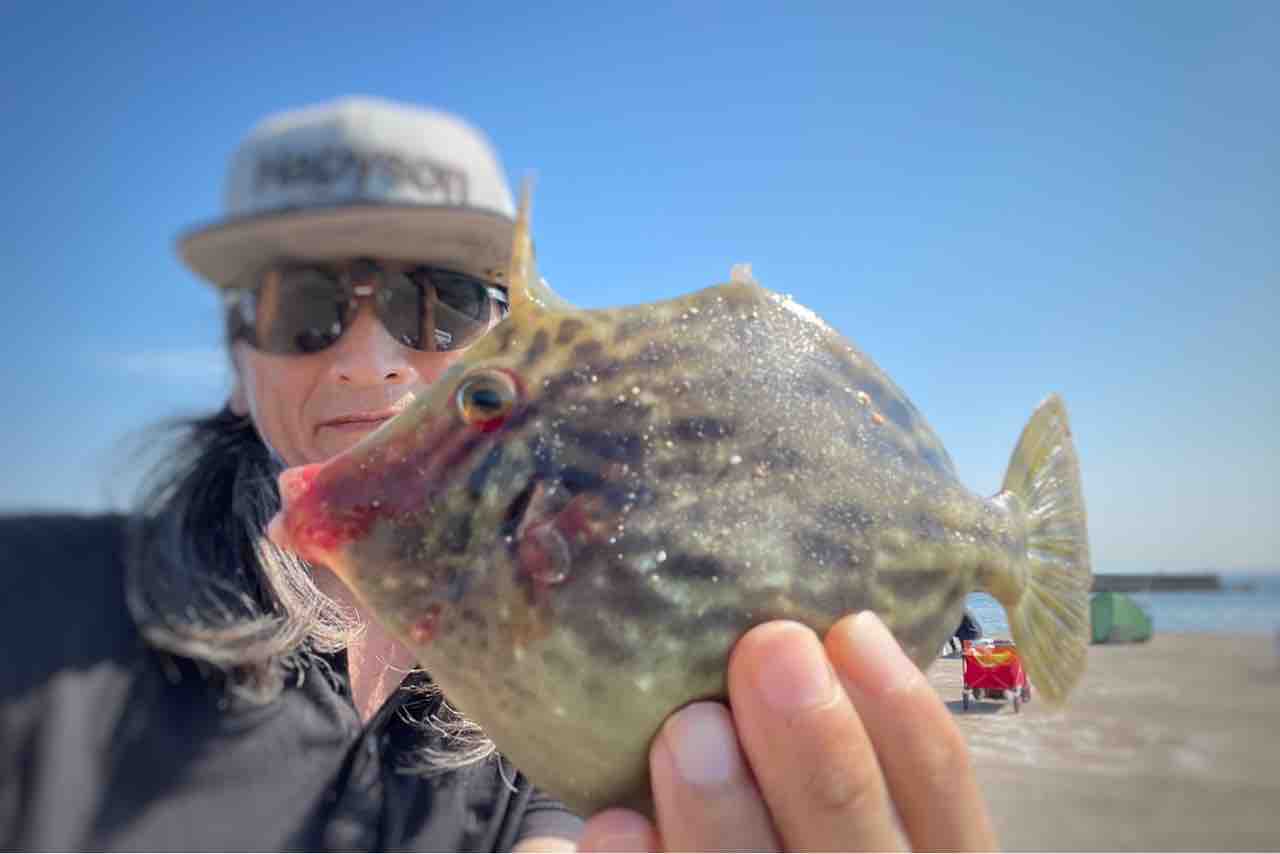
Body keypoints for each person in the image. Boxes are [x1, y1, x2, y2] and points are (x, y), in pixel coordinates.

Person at [0, 96, 998, 851]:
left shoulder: (534, 686)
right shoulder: (38, 611)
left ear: (502, 336)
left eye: (432, 302)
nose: (370, 361)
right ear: (236, 361)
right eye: (304, 306)